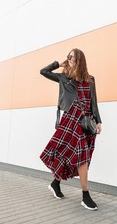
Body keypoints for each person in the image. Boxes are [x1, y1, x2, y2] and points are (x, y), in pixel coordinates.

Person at [39, 48, 102, 210]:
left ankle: (55, 183)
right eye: (68, 57)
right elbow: (43, 71)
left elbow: (93, 102)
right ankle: (85, 195)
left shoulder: (90, 79)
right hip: (71, 119)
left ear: (80, 59)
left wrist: (98, 121)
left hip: (86, 121)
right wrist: (58, 64)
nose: (69, 59)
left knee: (77, 154)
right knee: (80, 154)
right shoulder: (63, 77)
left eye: (72, 57)